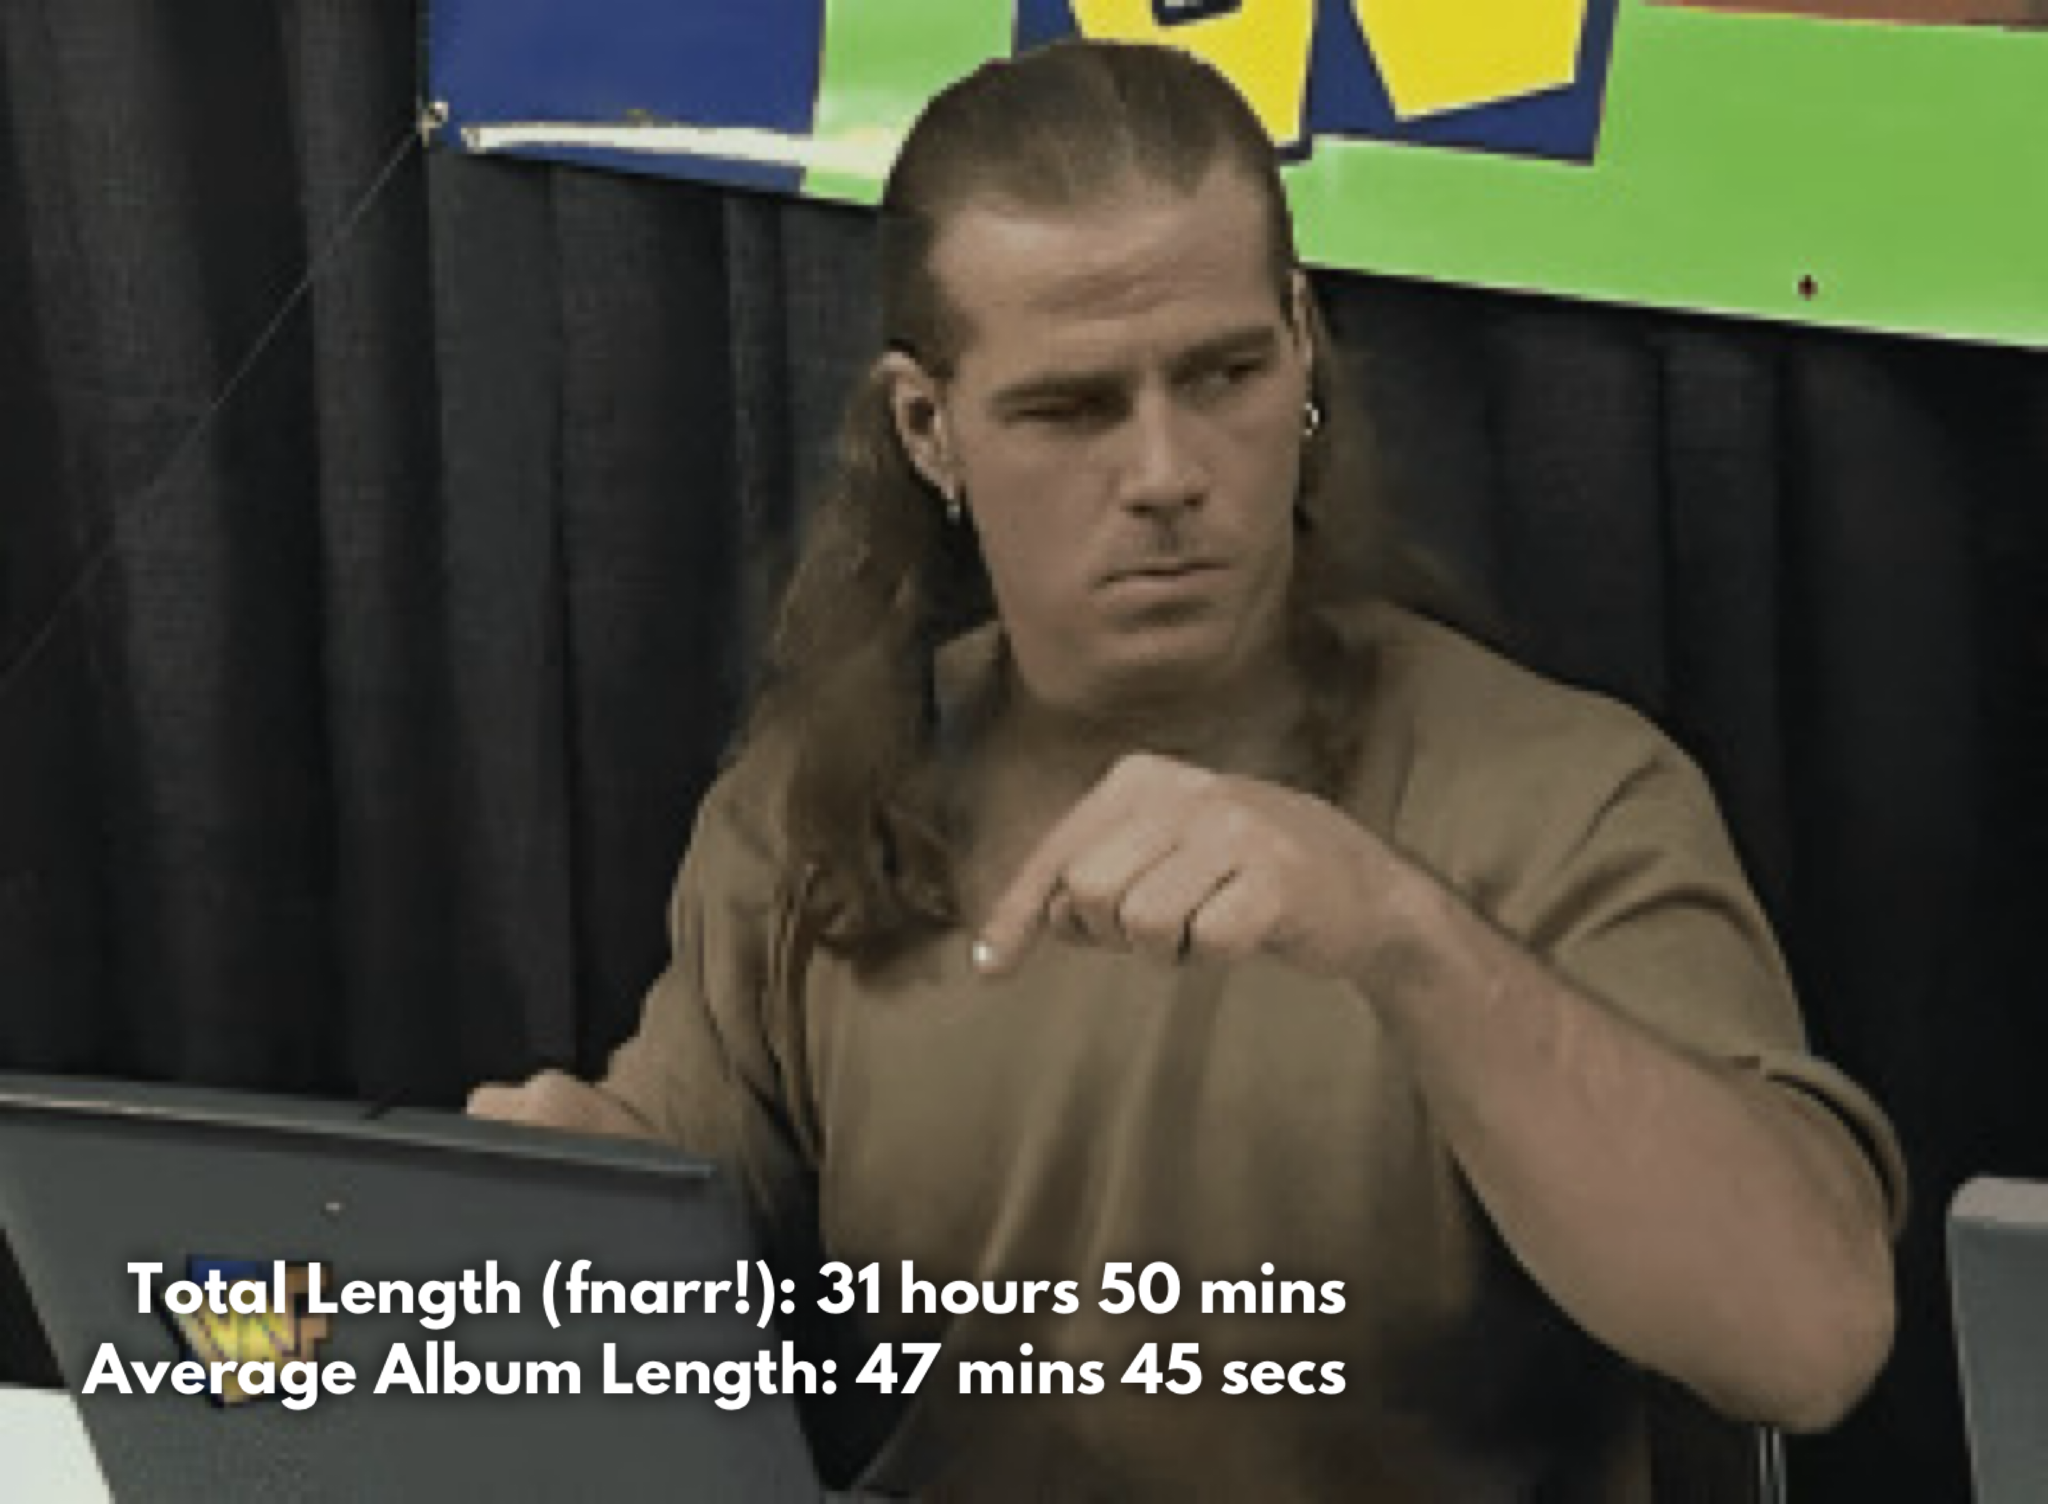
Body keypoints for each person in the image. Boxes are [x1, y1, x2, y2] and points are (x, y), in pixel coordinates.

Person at [471, 39, 1904, 1500]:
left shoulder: (1564, 796)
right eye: (1072, 407)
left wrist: (1403, 936)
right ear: (929, 429)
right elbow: (650, 1264)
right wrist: (550, 1219)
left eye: (1223, 374)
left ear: (1303, 347)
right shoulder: (813, 808)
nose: (1166, 473)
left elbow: (1812, 1341)